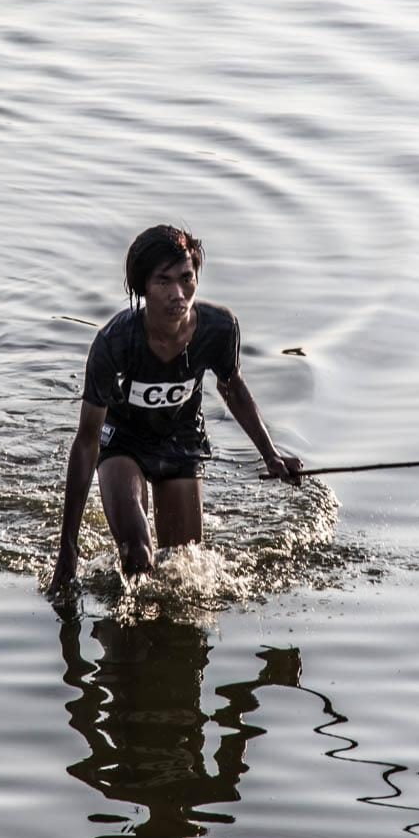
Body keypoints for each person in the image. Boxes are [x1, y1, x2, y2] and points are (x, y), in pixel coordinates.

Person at [48, 224, 302, 593]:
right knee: (138, 554)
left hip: (181, 441)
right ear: (142, 287)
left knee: (182, 571)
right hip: (124, 443)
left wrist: (271, 455)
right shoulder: (114, 343)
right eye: (163, 281)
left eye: (186, 278)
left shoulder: (220, 328)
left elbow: (233, 389)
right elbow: (86, 442)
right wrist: (67, 548)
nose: (177, 294)